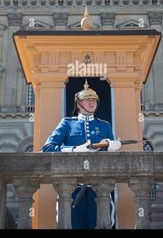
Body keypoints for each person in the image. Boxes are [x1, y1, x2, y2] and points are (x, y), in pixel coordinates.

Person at [41, 80, 121, 229]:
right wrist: (74, 150)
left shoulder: (105, 125)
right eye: (87, 99)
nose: (91, 103)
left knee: (101, 225)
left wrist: (113, 147)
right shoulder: (66, 123)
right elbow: (47, 148)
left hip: (99, 187)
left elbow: (111, 158)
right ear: (78, 104)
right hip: (72, 187)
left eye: (94, 100)